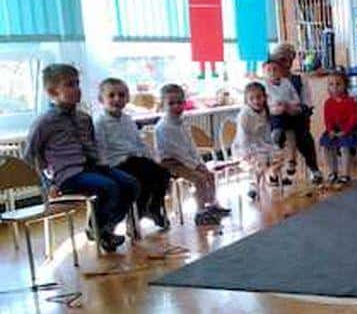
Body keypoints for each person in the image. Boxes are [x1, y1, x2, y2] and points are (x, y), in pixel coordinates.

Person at [23, 64, 139, 252]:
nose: (77, 89)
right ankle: (99, 230)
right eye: (70, 85)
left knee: (130, 184)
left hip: (92, 168)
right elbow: (30, 155)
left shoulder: (84, 118)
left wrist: (104, 165)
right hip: (68, 176)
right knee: (108, 187)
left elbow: (92, 146)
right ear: (52, 92)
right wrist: (47, 184)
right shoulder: (44, 122)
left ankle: (104, 227)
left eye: (78, 83)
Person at [94, 78, 171, 230]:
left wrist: (152, 159)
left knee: (162, 173)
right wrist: (104, 168)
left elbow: (139, 143)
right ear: (101, 99)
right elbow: (100, 147)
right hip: (116, 163)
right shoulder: (100, 122)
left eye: (121, 95)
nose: (117, 99)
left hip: (134, 159)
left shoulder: (128, 120)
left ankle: (153, 208)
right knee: (141, 178)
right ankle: (136, 217)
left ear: (127, 98)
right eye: (111, 95)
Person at [154, 83, 231, 226]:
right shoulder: (164, 127)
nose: (176, 106)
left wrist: (200, 163)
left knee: (210, 174)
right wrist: (195, 166)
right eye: (171, 103)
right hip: (170, 162)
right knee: (199, 179)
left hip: (186, 159)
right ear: (163, 105)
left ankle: (212, 204)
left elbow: (191, 146)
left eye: (179, 102)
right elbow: (178, 152)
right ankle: (200, 211)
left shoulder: (182, 123)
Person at [264, 59, 323, 186]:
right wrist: (275, 109)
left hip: (294, 114)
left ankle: (313, 170)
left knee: (304, 137)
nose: (272, 72)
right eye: (269, 70)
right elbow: (264, 104)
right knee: (277, 137)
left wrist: (293, 107)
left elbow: (303, 102)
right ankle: (275, 172)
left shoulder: (292, 81)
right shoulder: (264, 85)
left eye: (275, 69)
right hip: (275, 117)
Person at [232, 80, 282, 199]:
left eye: (259, 97)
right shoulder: (244, 115)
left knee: (279, 155)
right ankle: (253, 186)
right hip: (244, 146)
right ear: (246, 100)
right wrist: (247, 152)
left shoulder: (265, 111)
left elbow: (266, 133)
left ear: (264, 97)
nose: (256, 101)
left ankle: (271, 175)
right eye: (252, 98)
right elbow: (242, 137)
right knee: (260, 160)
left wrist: (271, 146)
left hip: (261, 144)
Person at [319, 71, 357, 185]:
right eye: (331, 84)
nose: (335, 87)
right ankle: (333, 172)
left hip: (348, 130)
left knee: (344, 147)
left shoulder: (350, 101)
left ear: (345, 85)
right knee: (326, 146)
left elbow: (353, 119)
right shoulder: (328, 103)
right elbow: (327, 119)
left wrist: (345, 131)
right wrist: (330, 130)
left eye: (338, 84)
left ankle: (345, 174)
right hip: (333, 130)